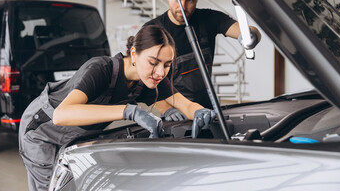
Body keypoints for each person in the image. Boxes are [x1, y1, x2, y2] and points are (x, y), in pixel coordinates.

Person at [18, 25, 215, 191]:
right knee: (59, 187)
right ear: (133, 54)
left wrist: (200, 111)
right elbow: (62, 115)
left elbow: (185, 104)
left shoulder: (150, 78)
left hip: (71, 136)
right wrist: (129, 111)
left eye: (167, 64)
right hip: (41, 131)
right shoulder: (100, 69)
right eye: (153, 63)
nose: (160, 72)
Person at [144, 0, 261, 117]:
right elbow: (145, 82)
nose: (182, 7)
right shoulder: (152, 30)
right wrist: (167, 110)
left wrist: (250, 36)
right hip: (176, 115)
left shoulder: (209, 19)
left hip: (208, 109)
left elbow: (250, 31)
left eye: (190, 0)